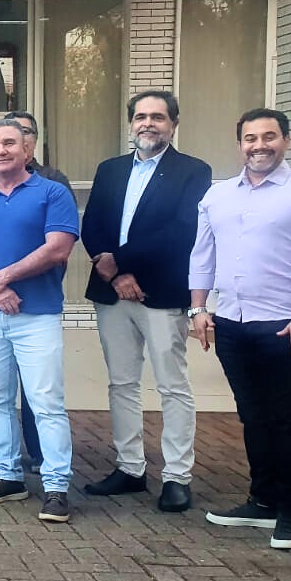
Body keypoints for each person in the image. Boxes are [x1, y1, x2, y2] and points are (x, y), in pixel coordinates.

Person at [191, 108, 291, 552]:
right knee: (252, 416)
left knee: (286, 418)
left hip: (286, 325)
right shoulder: (217, 196)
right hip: (231, 323)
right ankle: (262, 501)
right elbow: (202, 255)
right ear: (240, 144)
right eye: (250, 138)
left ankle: (290, 512)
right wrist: (198, 308)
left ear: (286, 141)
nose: (259, 146)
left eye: (269, 137)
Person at [79, 91, 211, 513]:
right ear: (130, 123)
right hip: (112, 291)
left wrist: (122, 263)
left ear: (174, 123)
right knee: (122, 383)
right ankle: (130, 468)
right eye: (140, 117)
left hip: (162, 292)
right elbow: (92, 224)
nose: (147, 123)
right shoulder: (111, 169)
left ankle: (177, 477)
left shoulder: (193, 171)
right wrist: (115, 274)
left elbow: (182, 232)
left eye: (157, 116)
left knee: (172, 386)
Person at [0, 119, 80, 522]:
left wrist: (2, 277)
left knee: (46, 402)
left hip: (36, 315)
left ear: (27, 149)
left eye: (8, 143)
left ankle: (56, 486)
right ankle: (8, 476)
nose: (0, 150)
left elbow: (58, 248)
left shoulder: (52, 192)